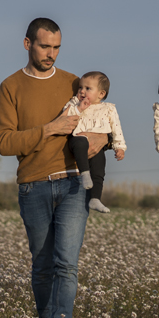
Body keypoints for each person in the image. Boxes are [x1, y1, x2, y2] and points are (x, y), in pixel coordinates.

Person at [0, 17, 107, 318]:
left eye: (57, 47)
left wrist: (103, 137)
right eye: (45, 46)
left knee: (67, 264)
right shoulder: (10, 86)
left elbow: (103, 120)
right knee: (43, 267)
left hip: (74, 183)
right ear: (28, 44)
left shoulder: (75, 83)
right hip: (33, 186)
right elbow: (4, 142)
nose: (51, 53)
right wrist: (50, 128)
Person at [63, 71, 127, 214]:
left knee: (99, 169)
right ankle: (85, 174)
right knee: (80, 143)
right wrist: (79, 108)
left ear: (101, 94)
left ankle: (95, 198)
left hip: (99, 146)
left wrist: (120, 147)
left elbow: (116, 128)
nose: (82, 91)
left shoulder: (109, 108)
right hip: (78, 139)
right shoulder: (74, 103)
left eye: (88, 88)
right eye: (80, 88)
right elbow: (65, 117)